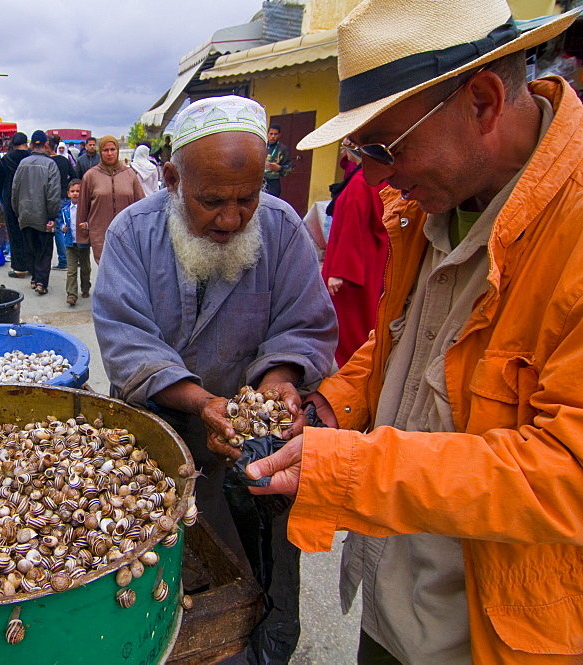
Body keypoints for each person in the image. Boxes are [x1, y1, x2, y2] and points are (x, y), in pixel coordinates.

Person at [242, 1, 583, 663]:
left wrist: (349, 468)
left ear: (483, 102)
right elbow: (411, 340)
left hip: (496, 633)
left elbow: (566, 472)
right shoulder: (435, 201)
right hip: (397, 603)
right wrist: (328, 406)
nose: (370, 176)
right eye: (358, 150)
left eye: (381, 147)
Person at [93, 95, 336, 665]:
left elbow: (306, 320)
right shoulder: (133, 233)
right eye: (211, 201)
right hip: (163, 431)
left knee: (261, 565)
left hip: (254, 439)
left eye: (246, 198)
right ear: (173, 179)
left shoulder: (279, 228)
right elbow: (126, 339)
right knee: (162, 569)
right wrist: (201, 400)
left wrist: (279, 378)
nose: (231, 219)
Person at [321, 152, 388, 367]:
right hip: (369, 260)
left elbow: (352, 226)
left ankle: (351, 373)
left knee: (351, 326)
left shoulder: (360, 183)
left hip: (354, 266)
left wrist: (339, 271)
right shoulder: (370, 178)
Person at [77, 135, 144, 262]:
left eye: (113, 149)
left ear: (117, 151)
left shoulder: (129, 175)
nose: (109, 153)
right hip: (100, 234)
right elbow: (82, 207)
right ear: (100, 152)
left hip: (127, 233)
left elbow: (141, 204)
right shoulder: (90, 176)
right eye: (105, 150)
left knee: (126, 271)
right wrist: (83, 235)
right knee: (107, 270)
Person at [11, 130, 62, 295]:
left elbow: (15, 190)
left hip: (25, 214)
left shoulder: (22, 164)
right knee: (44, 250)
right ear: (46, 145)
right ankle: (41, 282)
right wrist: (52, 216)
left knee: (30, 248)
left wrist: (17, 211)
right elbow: (54, 194)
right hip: (43, 215)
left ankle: (34, 279)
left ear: (31, 144)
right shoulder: (50, 165)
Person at [0, 132, 32, 278]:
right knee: (30, 233)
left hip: (11, 198)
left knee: (15, 233)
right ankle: (32, 266)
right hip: (30, 199)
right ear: (26, 143)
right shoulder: (31, 158)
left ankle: (19, 268)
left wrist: (4, 196)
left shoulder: (6, 160)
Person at [61, 178, 90, 306]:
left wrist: (87, 225)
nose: (75, 193)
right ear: (68, 193)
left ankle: (85, 287)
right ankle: (71, 294)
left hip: (83, 242)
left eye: (78, 191)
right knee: (71, 270)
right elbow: (62, 222)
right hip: (70, 243)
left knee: (85, 268)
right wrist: (63, 228)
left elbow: (92, 221)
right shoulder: (65, 209)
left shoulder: (86, 209)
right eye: (72, 191)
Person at [48, 134, 74, 270]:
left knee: (58, 228)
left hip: (53, 197)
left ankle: (63, 261)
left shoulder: (47, 162)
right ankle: (72, 259)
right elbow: (75, 177)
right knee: (67, 226)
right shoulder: (64, 161)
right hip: (65, 196)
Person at [263, 125, 293, 198]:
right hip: (259, 181)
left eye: (275, 134)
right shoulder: (261, 145)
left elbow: (290, 168)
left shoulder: (283, 149)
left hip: (273, 182)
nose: (273, 136)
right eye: (271, 134)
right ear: (267, 134)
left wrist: (279, 168)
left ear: (279, 135)